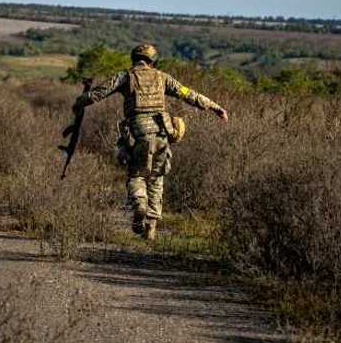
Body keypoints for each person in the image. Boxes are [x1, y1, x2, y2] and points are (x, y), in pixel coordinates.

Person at [73, 43, 228, 240]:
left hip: (137, 134)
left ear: (134, 58)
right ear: (153, 61)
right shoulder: (163, 78)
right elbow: (189, 94)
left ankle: (139, 204)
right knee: (156, 178)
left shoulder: (126, 76)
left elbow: (98, 94)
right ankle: (150, 229)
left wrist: (79, 102)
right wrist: (216, 108)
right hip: (162, 133)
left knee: (136, 174)